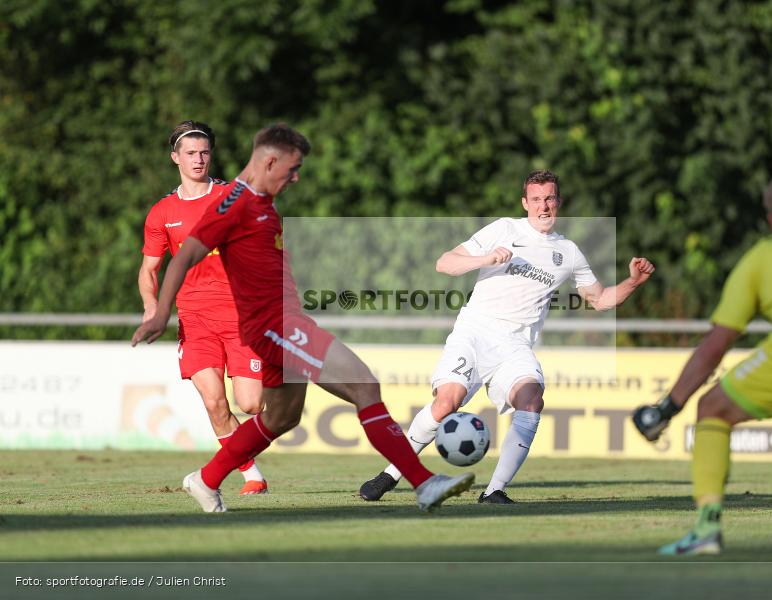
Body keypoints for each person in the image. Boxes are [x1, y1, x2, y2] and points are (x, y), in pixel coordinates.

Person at [132, 123, 474, 513]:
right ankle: (425, 484)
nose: (295, 178)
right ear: (270, 161)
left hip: (279, 322)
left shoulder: (248, 195)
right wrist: (160, 313)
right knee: (363, 385)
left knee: (281, 418)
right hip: (274, 327)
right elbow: (187, 254)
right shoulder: (235, 204)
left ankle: (205, 480)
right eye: (292, 169)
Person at [359, 169, 655, 504]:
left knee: (531, 400)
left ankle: (494, 490)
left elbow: (599, 299)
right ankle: (390, 474)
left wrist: (632, 282)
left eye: (550, 199)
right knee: (446, 403)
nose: (544, 206)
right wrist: (486, 258)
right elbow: (445, 263)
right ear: (525, 203)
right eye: (536, 199)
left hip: (515, 345)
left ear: (558, 202)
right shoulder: (504, 229)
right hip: (474, 331)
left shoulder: (569, 252)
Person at [632, 173, 772, 555]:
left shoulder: (761, 257)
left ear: (771, 220)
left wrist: (667, 408)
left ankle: (706, 529)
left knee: (712, 409)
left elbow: (715, 346)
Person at [139, 120, 268, 496]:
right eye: (191, 153)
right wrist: (151, 307)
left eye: (204, 152)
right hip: (195, 318)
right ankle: (253, 477)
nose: (198, 159)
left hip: (241, 315)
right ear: (175, 157)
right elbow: (149, 269)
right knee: (214, 402)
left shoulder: (233, 197)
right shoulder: (162, 212)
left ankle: (281, 379)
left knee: (252, 403)